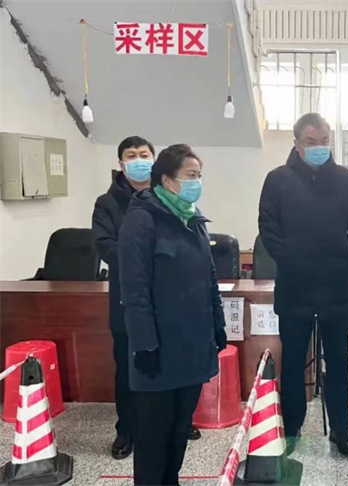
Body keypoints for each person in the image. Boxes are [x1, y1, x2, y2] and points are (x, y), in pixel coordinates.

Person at [258, 113, 348, 458]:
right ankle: (291, 429)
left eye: (324, 141)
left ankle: (341, 430)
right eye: (311, 142)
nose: (319, 147)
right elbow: (268, 227)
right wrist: (292, 259)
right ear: (296, 144)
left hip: (336, 287)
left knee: (338, 362)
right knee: (292, 362)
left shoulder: (345, 179)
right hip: (295, 288)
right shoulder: (277, 180)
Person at [118, 144, 227, 485]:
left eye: (199, 175)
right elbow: (134, 291)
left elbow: (210, 278)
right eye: (191, 175)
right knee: (154, 438)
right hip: (158, 351)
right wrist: (145, 345)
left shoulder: (193, 219)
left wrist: (218, 326)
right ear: (167, 180)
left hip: (192, 349)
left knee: (179, 431)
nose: (197, 182)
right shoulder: (142, 220)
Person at [93, 137, 202, 461]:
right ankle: (127, 430)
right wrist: (143, 259)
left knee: (171, 364)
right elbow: (105, 245)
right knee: (129, 368)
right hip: (129, 300)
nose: (138, 159)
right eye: (131, 155)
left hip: (169, 303)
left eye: (144, 154)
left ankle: (179, 422)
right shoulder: (107, 203)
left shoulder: (169, 199)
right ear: (121, 164)